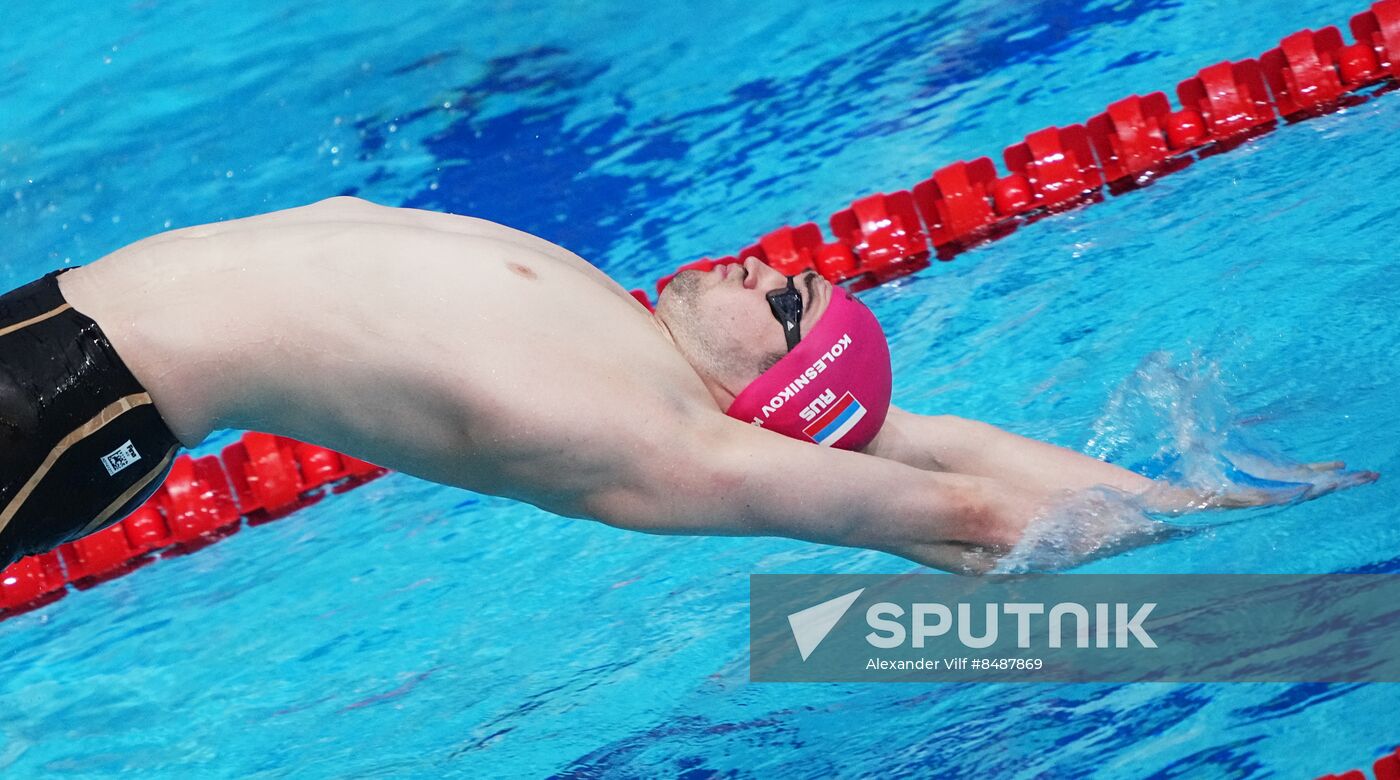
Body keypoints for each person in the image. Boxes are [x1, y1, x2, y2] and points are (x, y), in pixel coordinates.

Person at [0, 197, 1378, 572]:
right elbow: (909, 432)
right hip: (49, 332)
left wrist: (1261, 595)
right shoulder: (625, 328)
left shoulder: (652, 435)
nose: (773, 266)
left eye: (790, 304)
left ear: (764, 388)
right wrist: (1192, 495)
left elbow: (965, 514)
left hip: (70, 408)